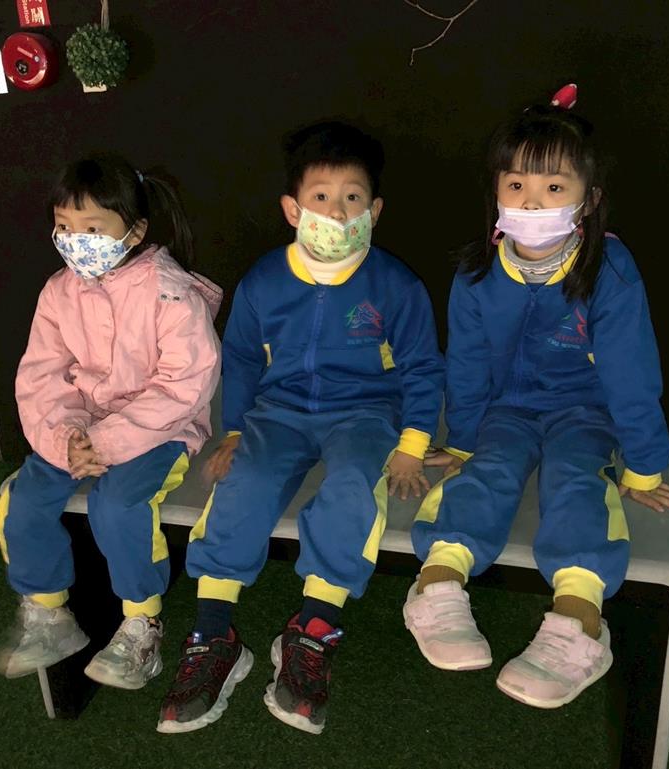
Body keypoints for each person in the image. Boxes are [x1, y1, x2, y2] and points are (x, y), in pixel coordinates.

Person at [157, 121, 444, 734]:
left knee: (352, 487)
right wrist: (235, 431)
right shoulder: (264, 280)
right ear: (293, 209)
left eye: (352, 198)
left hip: (364, 414)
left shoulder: (396, 285)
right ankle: (213, 633)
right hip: (278, 412)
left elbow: (423, 366)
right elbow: (240, 358)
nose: (336, 212)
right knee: (244, 484)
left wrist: (412, 444)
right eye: (321, 197)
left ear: (375, 211)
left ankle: (313, 629)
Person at [404, 87, 669, 709]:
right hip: (506, 410)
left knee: (575, 478)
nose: (532, 202)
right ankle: (437, 583)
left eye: (554, 187)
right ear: (496, 192)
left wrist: (643, 466)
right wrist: (464, 440)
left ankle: (578, 621)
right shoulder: (477, 271)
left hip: (584, 411)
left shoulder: (609, 269)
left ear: (590, 199)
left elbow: (632, 373)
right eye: (517, 185)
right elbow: (466, 364)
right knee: (489, 471)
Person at [0, 154, 222, 692]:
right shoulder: (58, 292)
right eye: (64, 226)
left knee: (116, 505)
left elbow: (183, 386)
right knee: (20, 501)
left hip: (161, 432)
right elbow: (41, 376)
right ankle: (49, 614)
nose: (75, 241)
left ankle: (142, 623)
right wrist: (64, 438)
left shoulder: (170, 292)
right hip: (77, 433)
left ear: (134, 231)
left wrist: (107, 441)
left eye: (92, 229)